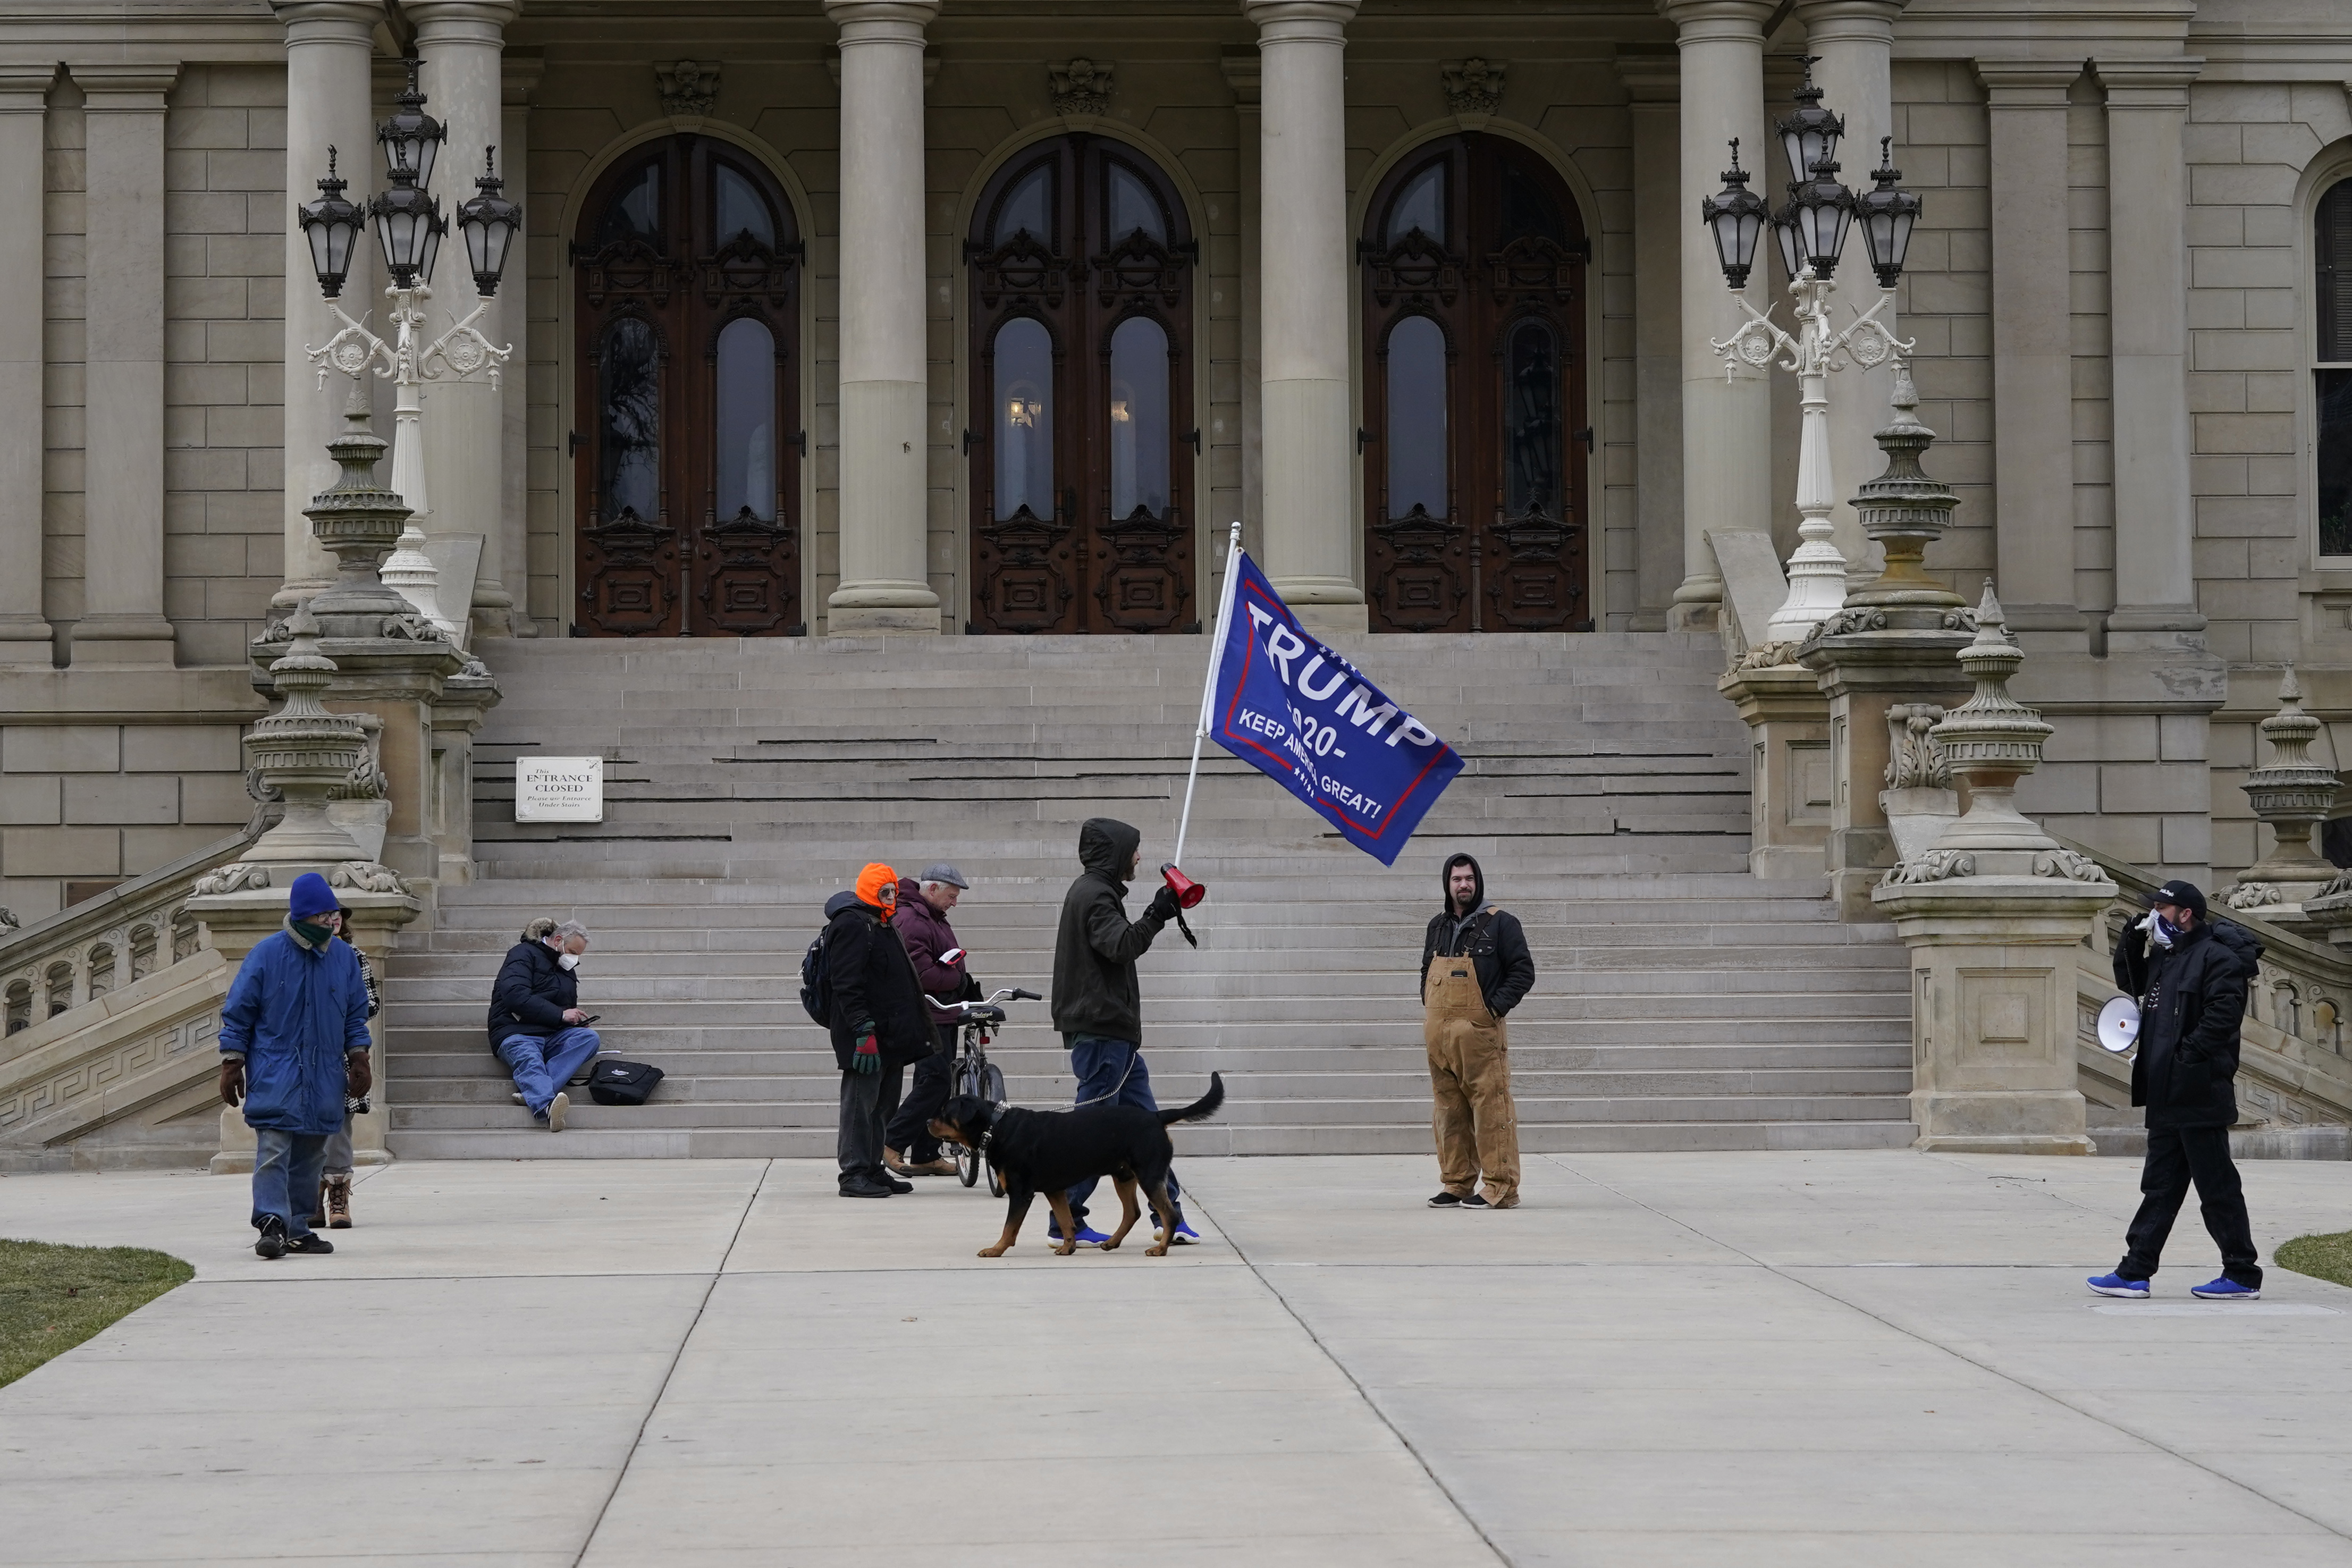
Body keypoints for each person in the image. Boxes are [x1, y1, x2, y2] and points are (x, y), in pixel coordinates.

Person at [2089, 880, 2266, 1300]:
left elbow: (2222, 1018)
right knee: (2160, 1185)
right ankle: (2134, 1271)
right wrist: (2130, 940)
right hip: (2167, 1091)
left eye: (2161, 909)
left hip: (2198, 1090)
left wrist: (2186, 1058)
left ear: (2185, 914)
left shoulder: (2218, 959)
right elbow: (2129, 983)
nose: (2154, 915)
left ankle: (2241, 1273)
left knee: (2216, 1186)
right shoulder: (2166, 958)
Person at [1049, 817, 1197, 1245]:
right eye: (1134, 849)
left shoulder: (1097, 892)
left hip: (1114, 1035)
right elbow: (1122, 945)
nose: (1139, 856)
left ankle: (1168, 1216)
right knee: (1090, 1131)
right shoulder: (1095, 895)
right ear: (1115, 853)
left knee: (1147, 1129)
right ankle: (1065, 1221)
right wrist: (1156, 914)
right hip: (1102, 1033)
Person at [217, 871, 373, 1259]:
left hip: (323, 1075)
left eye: (332, 916)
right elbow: (239, 1012)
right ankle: (272, 1223)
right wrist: (232, 1062)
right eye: (322, 917)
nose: (330, 923)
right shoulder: (267, 955)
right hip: (276, 1069)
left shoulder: (345, 959)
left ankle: (299, 1227)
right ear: (303, 916)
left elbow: (356, 1013)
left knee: (311, 1154)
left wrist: (359, 1057)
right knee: (274, 1147)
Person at [1419, 852, 1535, 1210]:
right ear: (1447, 884)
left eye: (1469, 878)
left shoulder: (1502, 924)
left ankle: (1500, 1187)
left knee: (1491, 1108)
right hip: (1439, 1034)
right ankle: (1456, 1183)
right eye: (1457, 879)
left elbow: (1522, 972)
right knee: (1448, 1110)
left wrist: (1492, 1010)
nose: (1463, 885)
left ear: (1478, 881)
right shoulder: (1437, 925)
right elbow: (1425, 970)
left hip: (1478, 1034)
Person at [826, 863, 935, 1198]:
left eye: (893, 892)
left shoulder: (883, 922)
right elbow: (846, 983)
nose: (890, 898)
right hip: (865, 1037)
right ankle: (854, 1174)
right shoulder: (851, 923)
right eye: (883, 892)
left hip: (890, 1036)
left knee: (884, 1105)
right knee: (861, 1105)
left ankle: (873, 1168)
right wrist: (863, 1030)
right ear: (868, 891)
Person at [885, 863, 979, 1178]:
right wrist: (955, 978)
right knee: (935, 1080)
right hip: (929, 1013)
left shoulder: (932, 917)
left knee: (938, 1083)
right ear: (933, 889)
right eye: (951, 896)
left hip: (942, 1012)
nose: (955, 903)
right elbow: (921, 974)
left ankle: (926, 1155)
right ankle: (890, 1142)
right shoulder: (913, 918)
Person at [488, 918, 600, 1132]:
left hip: (552, 1032)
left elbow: (565, 1008)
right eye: (573, 952)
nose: (574, 959)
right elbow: (515, 996)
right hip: (516, 1030)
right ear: (558, 940)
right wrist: (561, 1015)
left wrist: (574, 1022)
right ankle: (546, 1106)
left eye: (578, 955)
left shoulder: (566, 968)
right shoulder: (522, 954)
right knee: (529, 1058)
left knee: (589, 1039)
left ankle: (535, 1090)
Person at [307, 919, 381, 1230]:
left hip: (345, 1052)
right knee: (305, 1124)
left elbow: (372, 1003)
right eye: (326, 914)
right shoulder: (298, 954)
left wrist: (340, 1010)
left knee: (339, 1124)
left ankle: (338, 1192)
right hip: (304, 1053)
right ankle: (310, 1192)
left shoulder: (354, 956)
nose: (333, 920)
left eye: (338, 914)